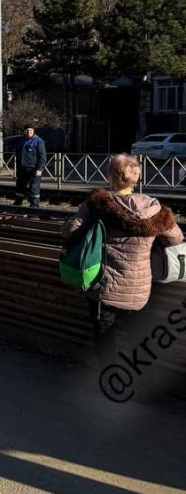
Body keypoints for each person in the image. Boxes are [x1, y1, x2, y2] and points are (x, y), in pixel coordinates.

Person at [62, 154, 182, 364]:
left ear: (111, 176)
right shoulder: (155, 209)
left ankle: (110, 379)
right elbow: (176, 239)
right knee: (138, 336)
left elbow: (69, 231)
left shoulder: (97, 204)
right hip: (139, 287)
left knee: (105, 336)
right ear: (136, 178)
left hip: (102, 285)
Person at [15, 126, 47, 208]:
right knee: (20, 188)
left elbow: (42, 157)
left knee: (34, 188)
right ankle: (18, 203)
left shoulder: (38, 141)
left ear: (33, 131)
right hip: (22, 168)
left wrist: (40, 169)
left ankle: (34, 205)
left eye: (30, 130)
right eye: (27, 130)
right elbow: (18, 155)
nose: (29, 132)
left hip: (33, 169)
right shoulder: (21, 140)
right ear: (24, 131)